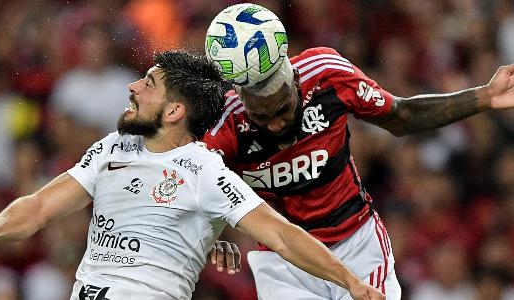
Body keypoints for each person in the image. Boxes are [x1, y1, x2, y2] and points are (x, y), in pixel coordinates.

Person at [0, 51, 384, 300]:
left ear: (175, 111)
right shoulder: (111, 148)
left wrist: (349, 282)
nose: (133, 88)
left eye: (148, 83)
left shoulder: (206, 171)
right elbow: (41, 206)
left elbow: (285, 236)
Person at [202, 3, 514, 299]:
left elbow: (402, 116)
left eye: (282, 109)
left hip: (357, 246)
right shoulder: (224, 123)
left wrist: (484, 96)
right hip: (283, 262)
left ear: (294, 81)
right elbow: (194, 186)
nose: (274, 125)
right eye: (261, 117)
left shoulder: (327, 74)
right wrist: (211, 236)